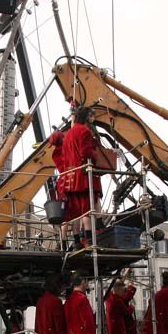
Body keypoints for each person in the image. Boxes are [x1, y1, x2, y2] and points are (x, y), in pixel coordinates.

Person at [59, 107, 102, 249]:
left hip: (69, 177)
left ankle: (77, 241)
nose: (92, 119)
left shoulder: (68, 134)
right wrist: (96, 157)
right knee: (86, 210)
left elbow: (64, 157)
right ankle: (89, 240)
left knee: (74, 212)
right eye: (91, 116)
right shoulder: (84, 131)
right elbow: (85, 152)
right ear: (86, 116)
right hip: (82, 176)